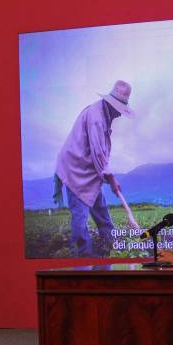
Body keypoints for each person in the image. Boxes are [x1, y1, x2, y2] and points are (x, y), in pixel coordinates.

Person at [54, 80, 134, 257]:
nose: (120, 115)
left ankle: (111, 248)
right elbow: (98, 154)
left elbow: (100, 156)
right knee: (80, 219)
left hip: (90, 173)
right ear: (112, 105)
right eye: (119, 110)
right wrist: (111, 178)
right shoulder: (97, 117)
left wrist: (108, 177)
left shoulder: (104, 116)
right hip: (75, 170)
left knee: (101, 212)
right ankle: (83, 259)